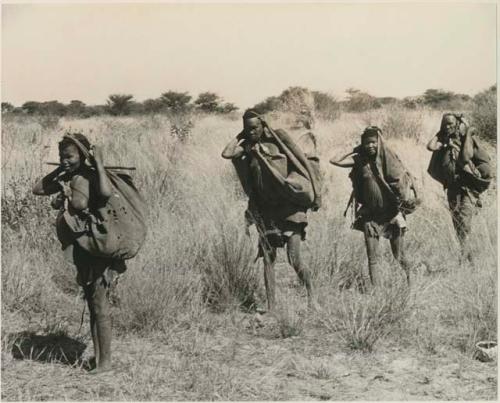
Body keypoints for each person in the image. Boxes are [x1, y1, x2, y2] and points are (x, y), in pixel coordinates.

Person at [33, 133, 125, 374]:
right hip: (84, 246)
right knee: (94, 303)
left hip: (97, 246)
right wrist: (61, 172)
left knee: (100, 304)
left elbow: (99, 196)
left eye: (69, 156)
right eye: (60, 156)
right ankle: (99, 358)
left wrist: (98, 165)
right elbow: (38, 189)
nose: (64, 160)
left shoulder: (89, 176)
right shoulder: (71, 175)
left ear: (82, 156)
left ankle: (105, 363)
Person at [221, 110, 320, 312]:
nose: (251, 132)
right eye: (247, 129)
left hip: (289, 209)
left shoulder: (279, 142)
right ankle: (272, 307)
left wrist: (312, 193)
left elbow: (300, 163)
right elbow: (227, 153)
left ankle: (312, 299)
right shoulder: (247, 148)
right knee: (268, 259)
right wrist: (240, 136)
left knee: (294, 258)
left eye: (255, 127)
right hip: (266, 212)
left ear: (263, 126)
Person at [330, 126, 415, 288]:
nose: (370, 146)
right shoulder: (359, 161)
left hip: (392, 214)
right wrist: (353, 148)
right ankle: (377, 292)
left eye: (374, 142)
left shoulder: (389, 160)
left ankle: (410, 283)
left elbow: (400, 184)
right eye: (366, 142)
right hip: (371, 215)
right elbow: (334, 160)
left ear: (380, 143)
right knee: (373, 258)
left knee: (399, 255)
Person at [426, 113, 492, 256]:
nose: (447, 127)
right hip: (452, 189)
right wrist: (440, 134)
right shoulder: (443, 142)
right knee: (457, 224)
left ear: (457, 125)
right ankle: (467, 254)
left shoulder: (466, 139)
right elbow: (430, 146)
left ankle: (465, 257)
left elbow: (466, 156)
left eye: (450, 124)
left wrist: (467, 131)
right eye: (445, 124)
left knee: (464, 221)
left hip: (467, 188)